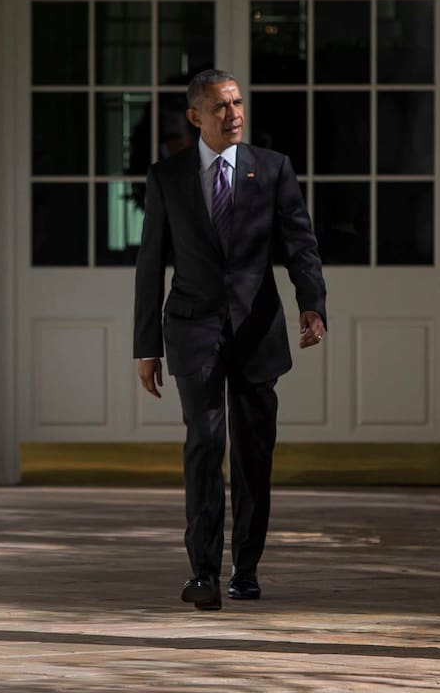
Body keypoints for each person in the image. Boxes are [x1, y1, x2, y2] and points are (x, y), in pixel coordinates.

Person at [133, 69, 327, 611]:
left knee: (252, 452)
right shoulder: (167, 177)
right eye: (221, 106)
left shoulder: (272, 168)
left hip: (256, 331)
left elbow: (300, 244)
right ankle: (202, 573)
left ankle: (245, 568)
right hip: (192, 328)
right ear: (195, 116)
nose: (233, 114)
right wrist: (146, 346)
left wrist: (312, 303)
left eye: (238, 103)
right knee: (204, 444)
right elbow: (150, 264)